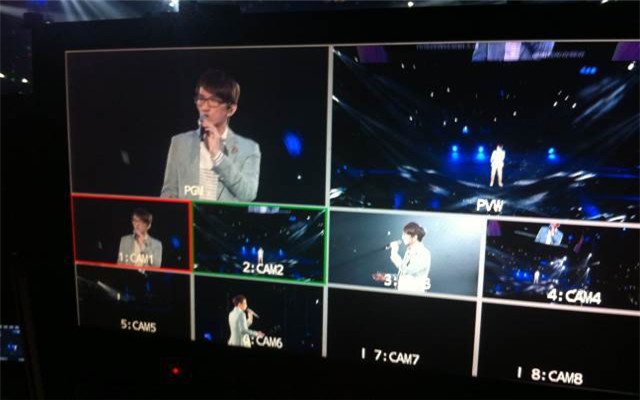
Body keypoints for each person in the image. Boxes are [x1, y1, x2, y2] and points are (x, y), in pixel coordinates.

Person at [161, 69, 261, 201]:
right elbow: (169, 191)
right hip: (188, 215)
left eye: (213, 101)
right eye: (201, 99)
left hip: (224, 216)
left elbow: (248, 194)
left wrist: (217, 156)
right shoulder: (179, 142)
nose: (204, 107)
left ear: (231, 109)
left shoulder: (249, 149)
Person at [373, 222, 431, 293]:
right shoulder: (409, 251)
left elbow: (406, 270)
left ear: (415, 237)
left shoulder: (423, 253)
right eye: (403, 234)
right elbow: (406, 276)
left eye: (405, 235)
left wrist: (394, 253)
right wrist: (386, 277)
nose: (402, 237)